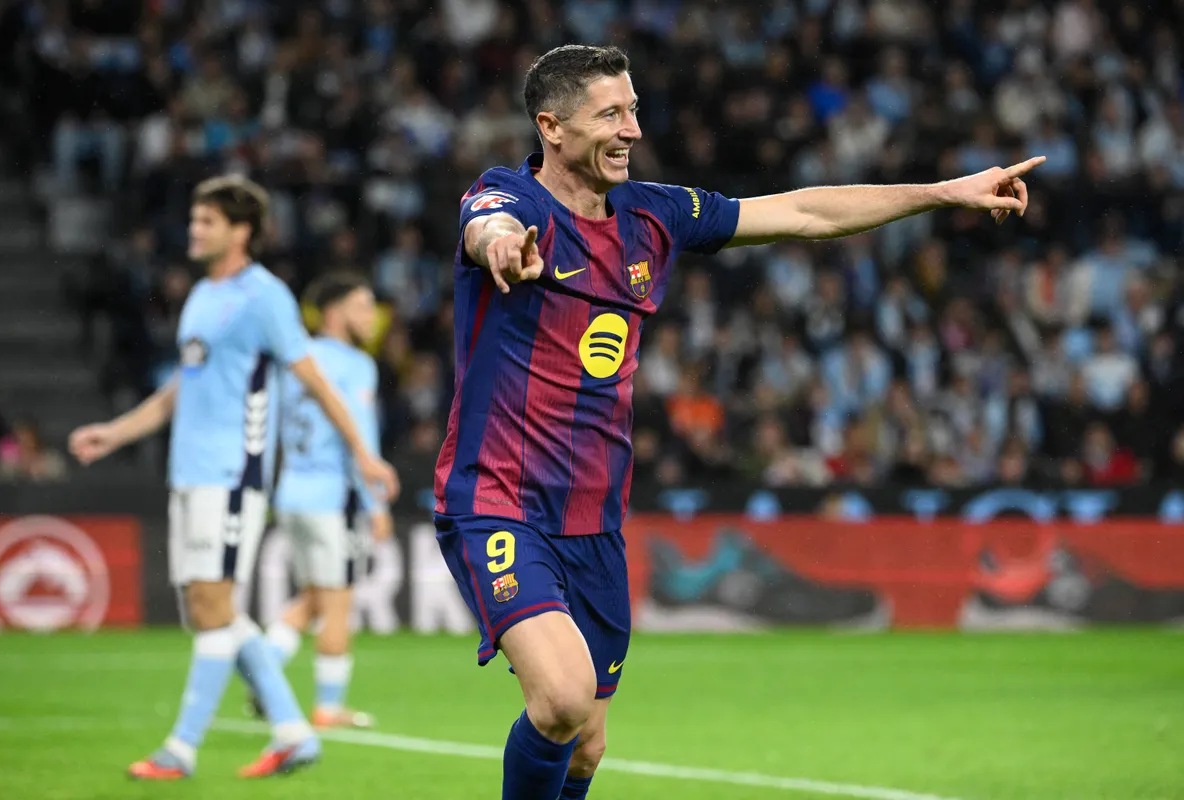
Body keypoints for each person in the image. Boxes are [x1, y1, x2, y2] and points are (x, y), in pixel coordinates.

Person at [433, 44, 1044, 800]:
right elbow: (484, 228)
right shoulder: (509, 201)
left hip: (594, 519)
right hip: (499, 499)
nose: (633, 130)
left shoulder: (653, 214)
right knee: (559, 701)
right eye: (611, 114)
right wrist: (500, 250)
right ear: (551, 127)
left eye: (633, 110)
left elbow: (803, 211)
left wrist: (944, 193)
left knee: (585, 746)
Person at [68, 175, 400, 780]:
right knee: (206, 609)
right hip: (189, 472)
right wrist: (114, 432)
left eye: (206, 222)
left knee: (215, 606)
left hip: (232, 473)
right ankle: (295, 732)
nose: (193, 231)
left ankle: (181, 749)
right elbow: (179, 390)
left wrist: (365, 454)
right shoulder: (200, 296)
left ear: (240, 230)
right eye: (193, 220)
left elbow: (314, 381)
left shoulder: (264, 295)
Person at [253, 272, 391, 730]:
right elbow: (359, 437)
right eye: (363, 305)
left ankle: (262, 670)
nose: (372, 317)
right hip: (331, 497)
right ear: (335, 312)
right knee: (337, 603)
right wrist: (377, 506)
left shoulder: (297, 360)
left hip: (290, 492)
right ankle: (329, 709)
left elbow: (269, 426)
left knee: (313, 596)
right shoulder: (355, 365)